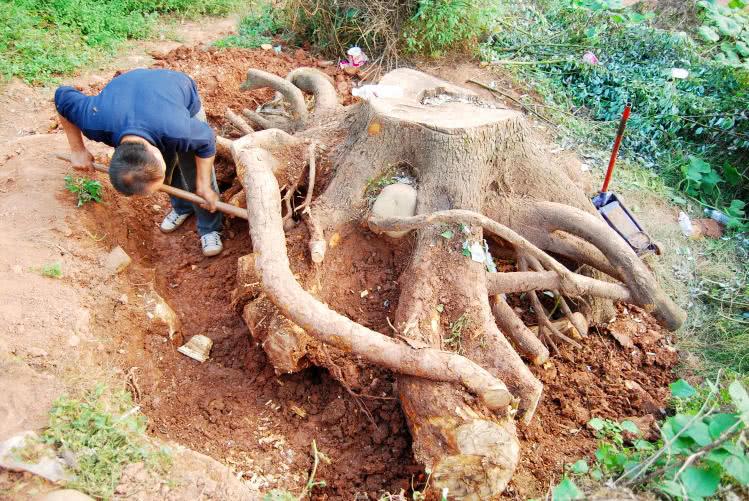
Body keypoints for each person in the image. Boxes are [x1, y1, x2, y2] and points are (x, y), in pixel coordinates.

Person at [54, 68, 223, 256]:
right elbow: (62, 96)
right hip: (131, 98)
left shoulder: (180, 129)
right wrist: (77, 149)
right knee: (164, 176)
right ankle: (182, 207)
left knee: (194, 172)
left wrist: (204, 184)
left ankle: (210, 228)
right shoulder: (94, 121)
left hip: (173, 86)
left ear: (154, 149)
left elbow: (207, 141)